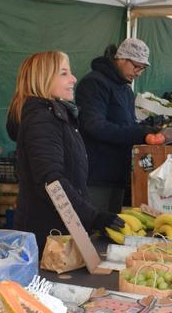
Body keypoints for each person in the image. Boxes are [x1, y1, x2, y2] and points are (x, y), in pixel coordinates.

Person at [7, 51, 124, 253]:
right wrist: (93, 215)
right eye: (64, 73)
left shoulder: (56, 116)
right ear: (43, 79)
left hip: (61, 231)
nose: (73, 79)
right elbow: (51, 181)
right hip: (49, 237)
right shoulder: (42, 121)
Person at [74, 38, 160, 213]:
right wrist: (141, 134)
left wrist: (146, 126)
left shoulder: (125, 89)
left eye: (142, 68)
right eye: (136, 66)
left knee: (111, 226)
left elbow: (125, 124)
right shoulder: (94, 84)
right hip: (96, 175)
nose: (138, 73)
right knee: (93, 228)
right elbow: (95, 126)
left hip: (118, 172)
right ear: (121, 58)